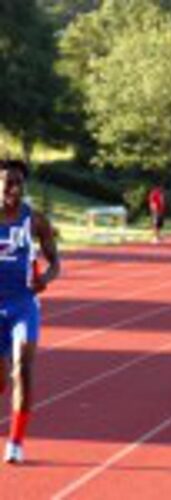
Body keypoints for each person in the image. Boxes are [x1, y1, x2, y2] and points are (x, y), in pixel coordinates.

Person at [0, 159, 60, 464]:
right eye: (8, 182)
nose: (13, 188)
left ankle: (15, 443)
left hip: (23, 305)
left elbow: (55, 263)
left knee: (23, 367)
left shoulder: (35, 221)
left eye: (19, 183)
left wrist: (43, 281)